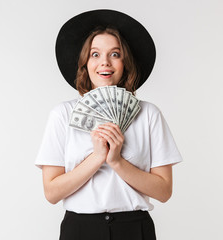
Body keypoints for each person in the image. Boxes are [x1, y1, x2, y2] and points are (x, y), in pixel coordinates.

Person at [35, 9, 183, 240]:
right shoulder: (62, 114)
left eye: (115, 54)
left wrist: (116, 161)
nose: (104, 62)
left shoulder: (148, 114)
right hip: (79, 229)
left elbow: (164, 192)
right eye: (95, 54)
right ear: (85, 63)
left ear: (126, 62)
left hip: (134, 228)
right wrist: (96, 157)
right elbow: (52, 193)